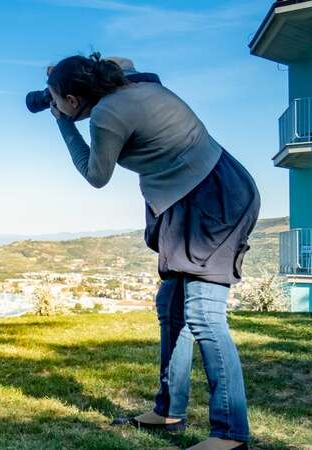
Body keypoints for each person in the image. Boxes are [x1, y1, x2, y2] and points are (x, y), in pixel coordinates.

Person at [47, 53, 257, 450]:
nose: (56, 104)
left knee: (203, 313)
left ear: (74, 100)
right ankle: (168, 412)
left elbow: (96, 174)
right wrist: (62, 79)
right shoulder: (132, 81)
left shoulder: (107, 112)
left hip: (210, 199)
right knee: (171, 304)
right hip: (201, 193)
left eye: (59, 99)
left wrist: (62, 123)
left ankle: (230, 434)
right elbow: (121, 60)